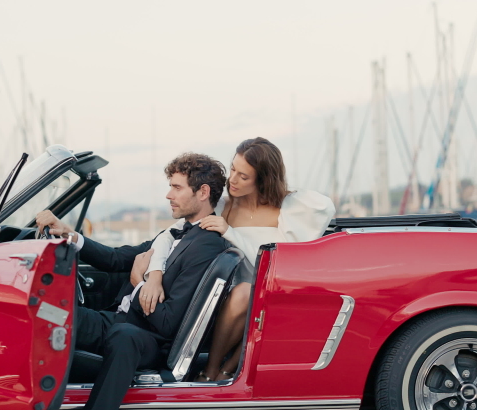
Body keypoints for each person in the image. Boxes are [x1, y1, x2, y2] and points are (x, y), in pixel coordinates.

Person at [29, 153, 231, 410]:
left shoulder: (206, 245)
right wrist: (68, 234)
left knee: (123, 339)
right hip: (120, 320)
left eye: (177, 188)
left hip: (149, 338)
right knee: (49, 314)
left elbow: (168, 322)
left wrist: (139, 283)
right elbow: (116, 257)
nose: (168, 195)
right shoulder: (175, 232)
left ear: (203, 192)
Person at [140, 137, 335, 382]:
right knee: (243, 292)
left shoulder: (290, 208)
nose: (232, 180)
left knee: (249, 293)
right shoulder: (223, 206)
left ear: (263, 179)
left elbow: (281, 265)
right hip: (221, 297)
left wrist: (229, 233)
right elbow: (168, 236)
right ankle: (217, 369)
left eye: (243, 176)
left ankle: (218, 370)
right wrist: (154, 275)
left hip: (273, 295)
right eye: (233, 168)